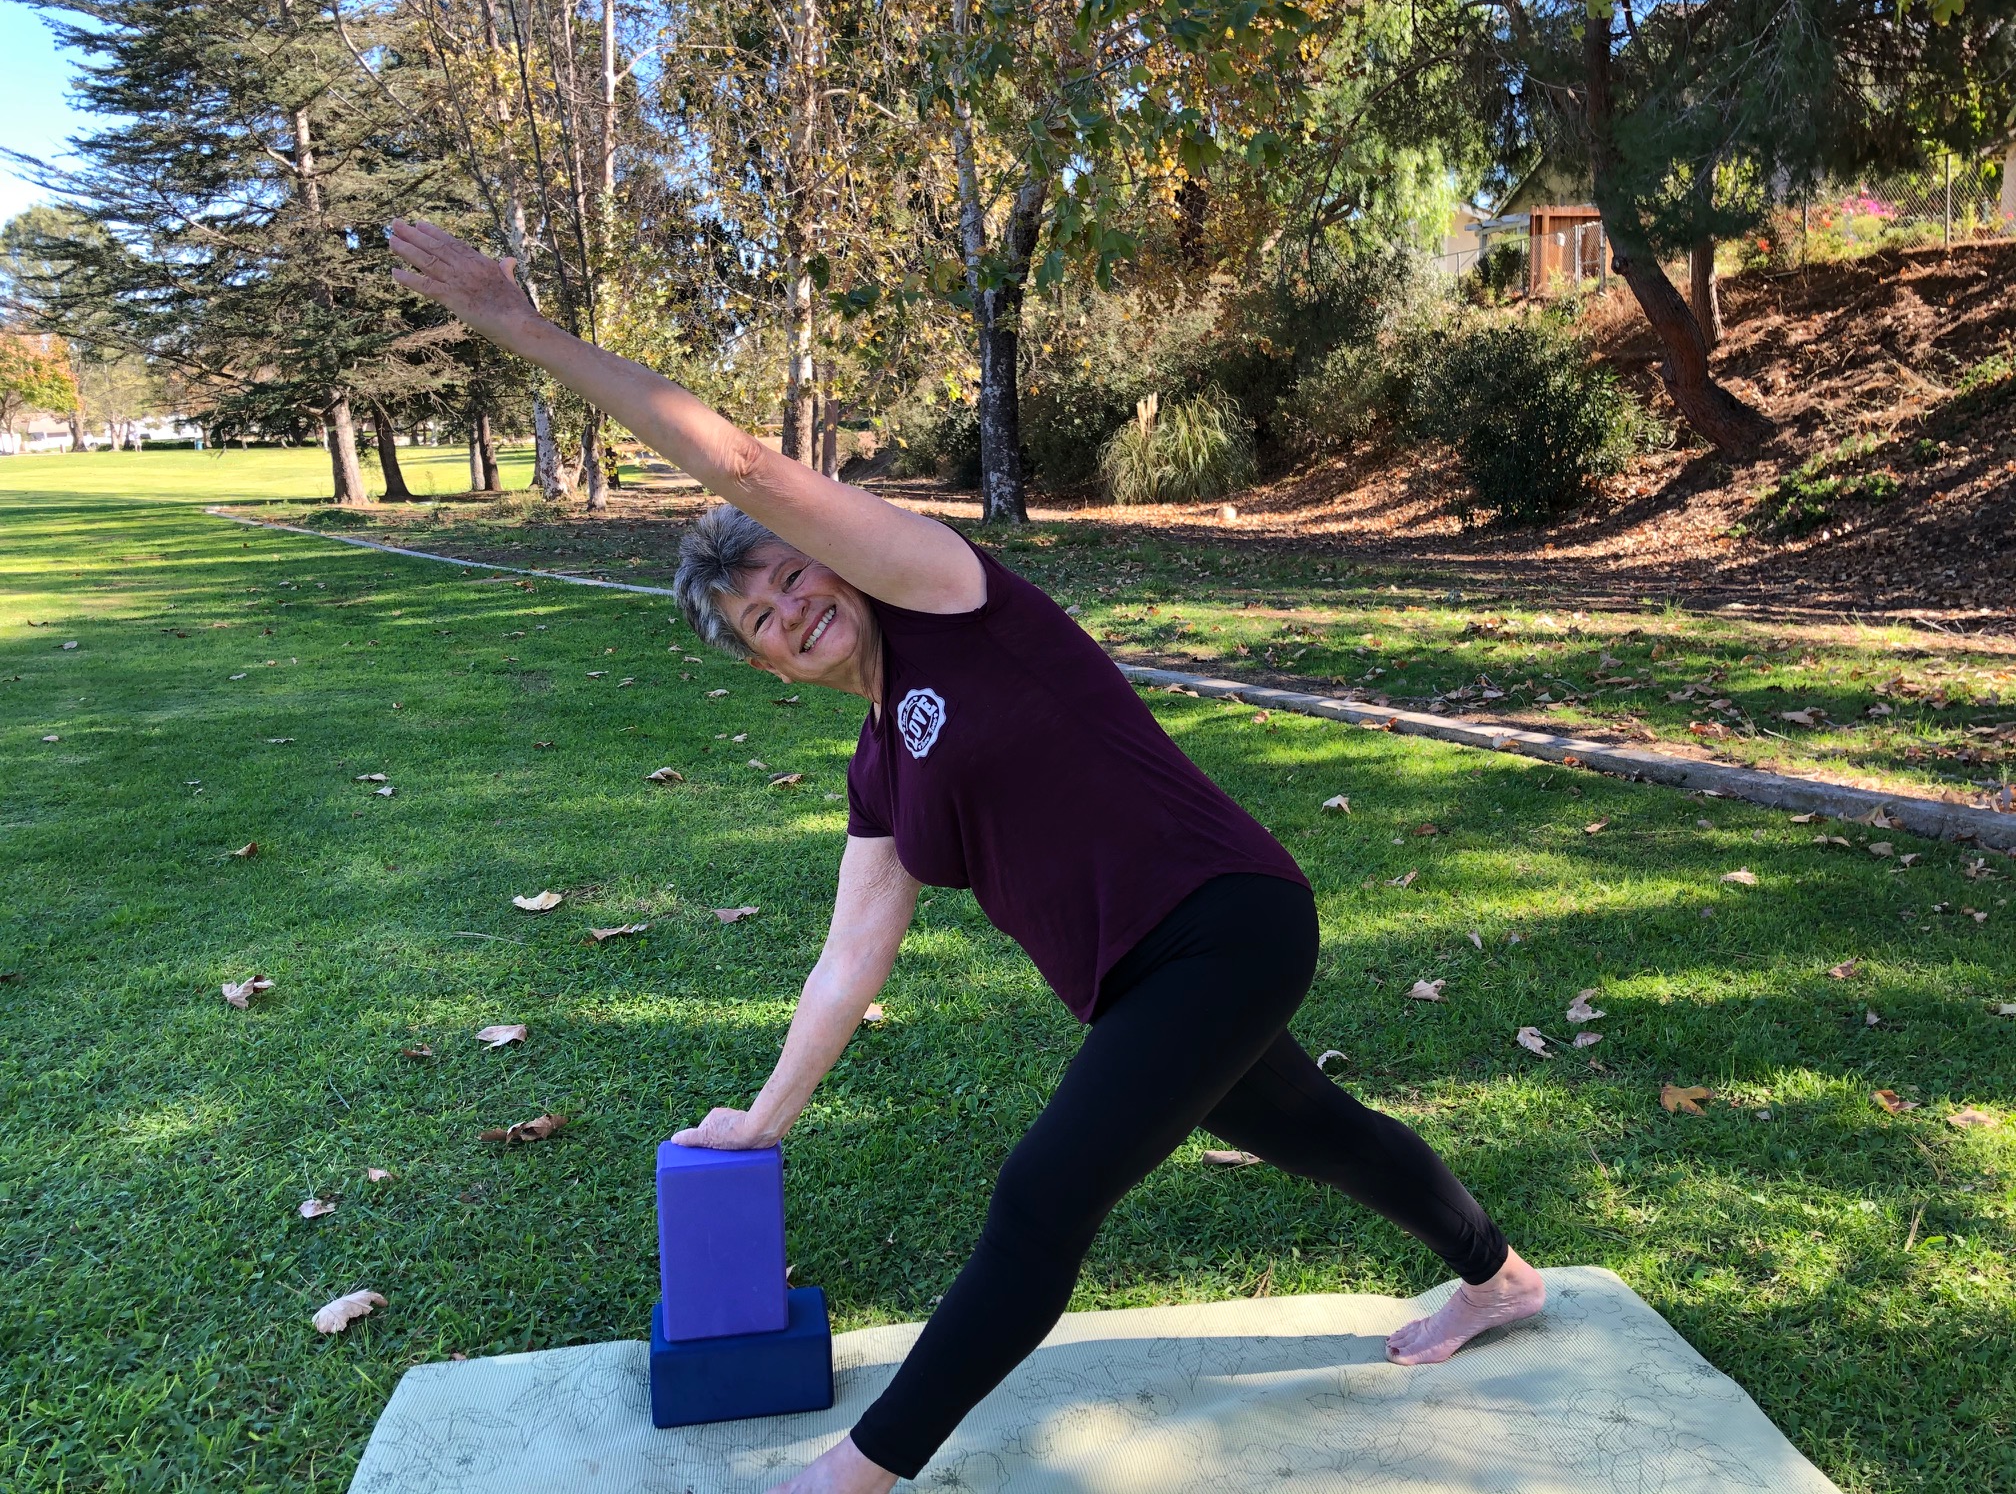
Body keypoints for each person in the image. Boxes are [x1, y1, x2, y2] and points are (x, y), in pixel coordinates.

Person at [388, 217, 1546, 1494]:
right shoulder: (879, 769)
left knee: (1042, 1198)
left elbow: (751, 465)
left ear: (834, 559)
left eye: (793, 577)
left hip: (1227, 920)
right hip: (1140, 980)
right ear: (767, 665)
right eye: (765, 619)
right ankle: (1501, 1279)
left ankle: (857, 1476)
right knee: (1316, 1128)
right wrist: (762, 1121)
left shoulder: (950, 596)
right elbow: (846, 964)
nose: (795, 607)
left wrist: (517, 326)